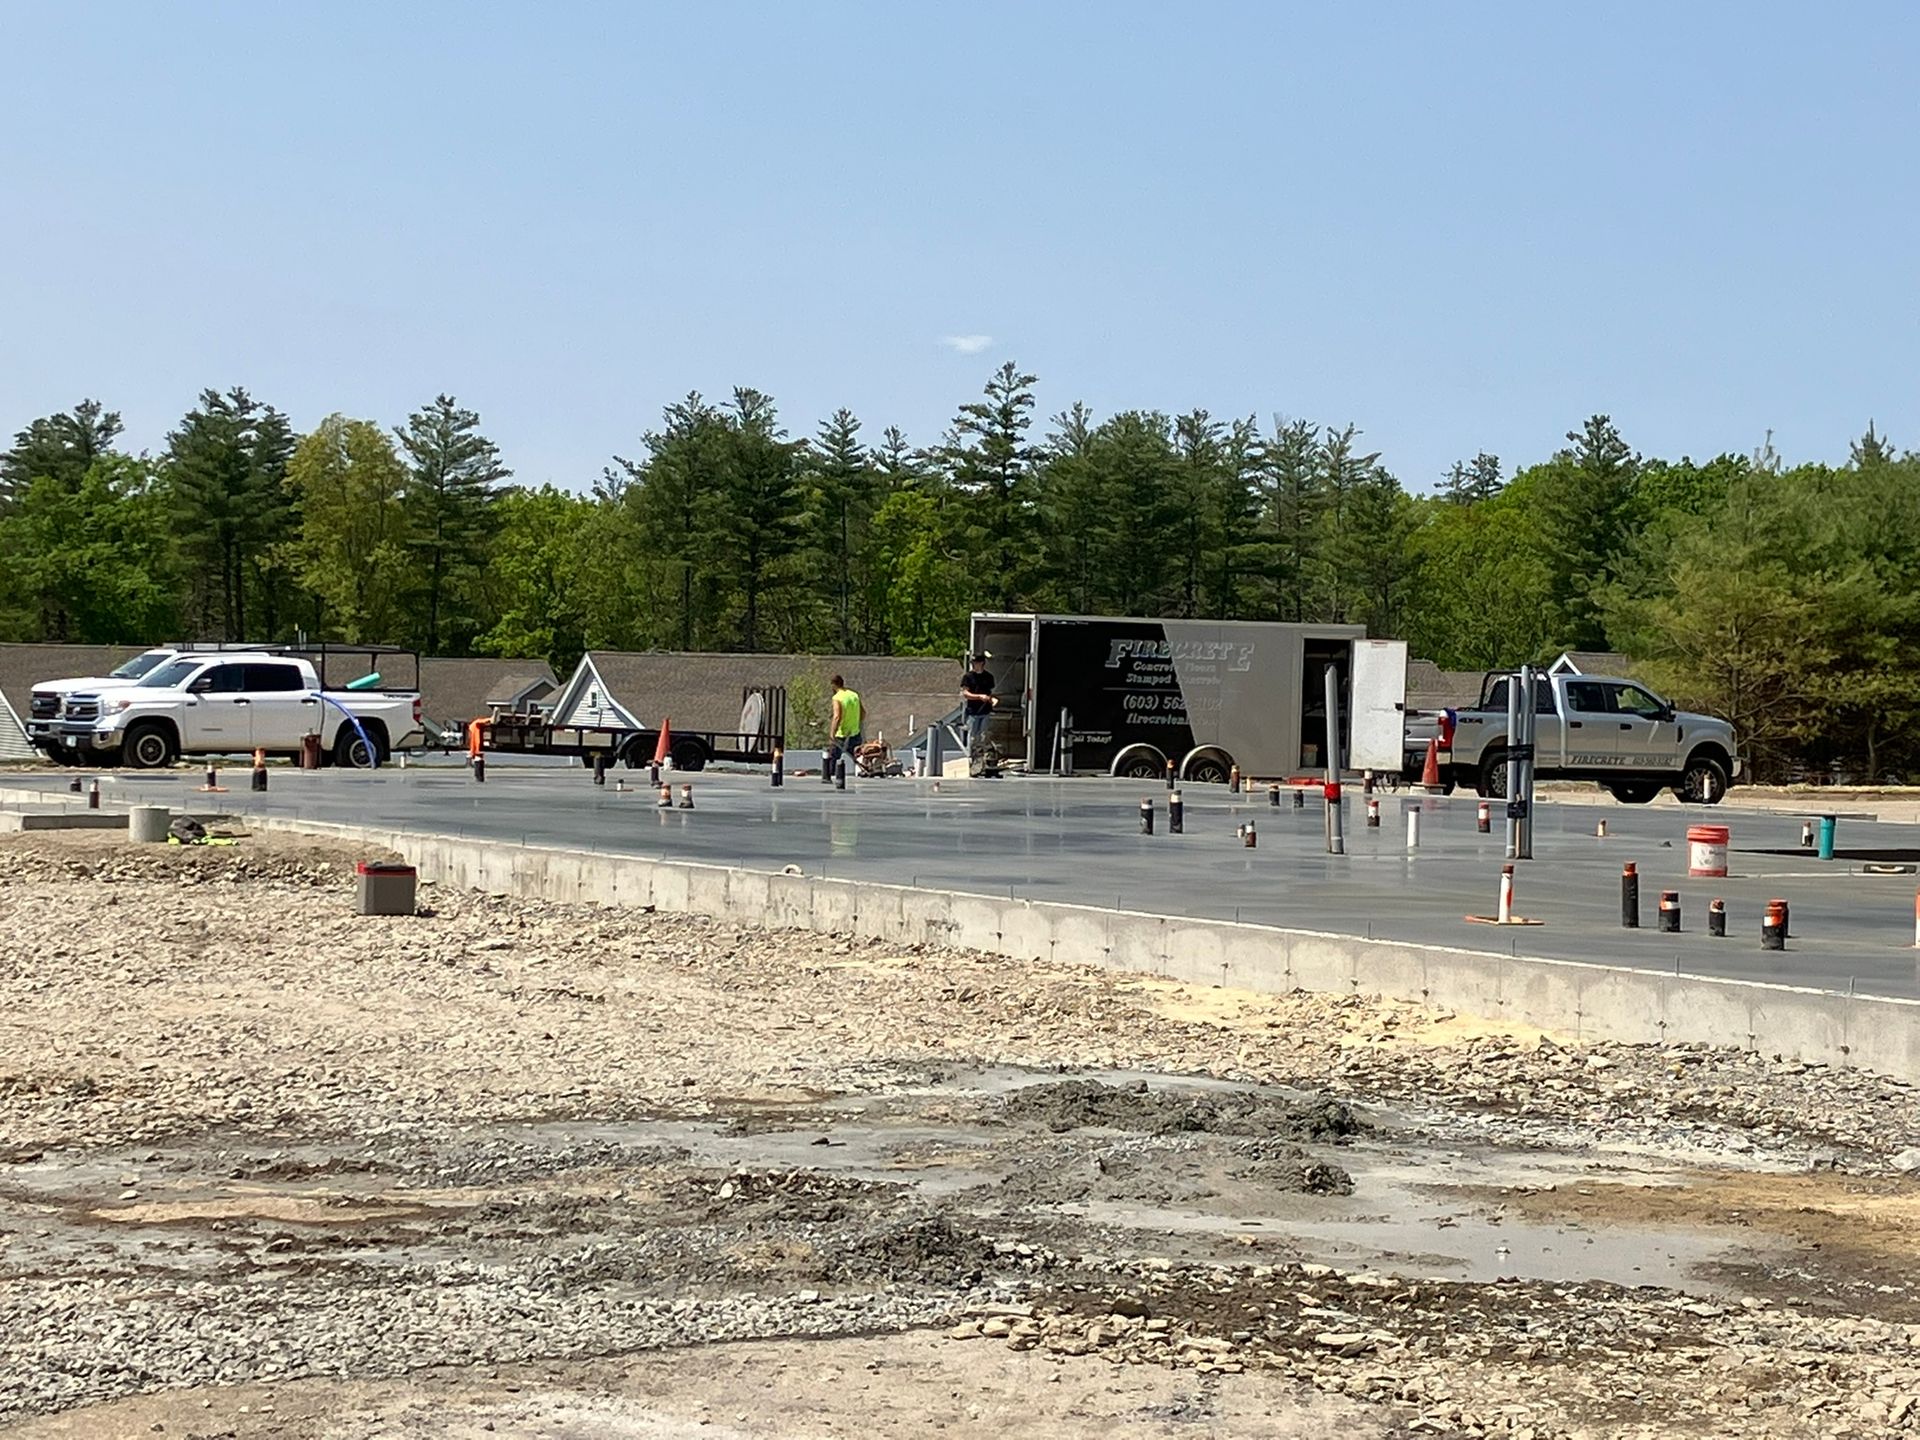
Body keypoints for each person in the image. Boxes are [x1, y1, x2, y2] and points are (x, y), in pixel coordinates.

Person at [960, 653, 996, 754]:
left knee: (984, 735)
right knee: (973, 736)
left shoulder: (989, 677)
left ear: (982, 663)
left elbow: (991, 692)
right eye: (972, 663)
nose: (974, 665)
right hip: (973, 711)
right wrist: (979, 696)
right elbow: (965, 693)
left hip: (986, 710)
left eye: (976, 663)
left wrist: (992, 699)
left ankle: (983, 755)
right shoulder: (968, 677)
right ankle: (971, 755)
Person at [828, 675, 863, 772]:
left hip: (841, 735)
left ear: (833, 685)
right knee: (858, 760)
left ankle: (830, 778)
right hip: (855, 733)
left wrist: (832, 734)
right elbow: (863, 713)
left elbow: (837, 717)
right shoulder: (854, 695)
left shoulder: (837, 698)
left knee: (832, 760)